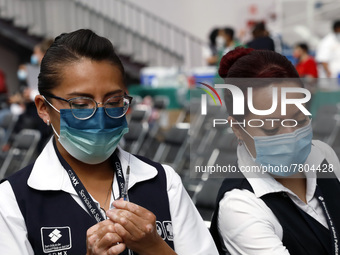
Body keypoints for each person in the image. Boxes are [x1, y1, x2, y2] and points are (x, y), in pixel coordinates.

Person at [0, 29, 218, 255]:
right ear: (44, 108)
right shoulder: (13, 200)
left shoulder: (163, 183)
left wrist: (155, 248)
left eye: (113, 101)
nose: (100, 116)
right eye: (81, 104)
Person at [210, 47, 340, 255]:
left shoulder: (322, 155)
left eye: (299, 120)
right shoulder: (241, 207)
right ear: (238, 129)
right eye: (271, 127)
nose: (291, 134)